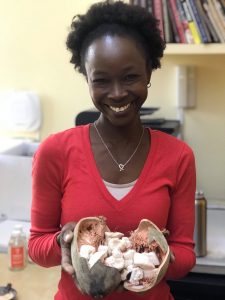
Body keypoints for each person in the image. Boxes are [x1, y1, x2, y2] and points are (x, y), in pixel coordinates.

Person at [28, 1, 196, 299]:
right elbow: (37, 246)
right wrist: (65, 241)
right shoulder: (55, 152)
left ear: (149, 72)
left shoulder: (178, 156)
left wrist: (154, 256)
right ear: (87, 79)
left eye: (130, 77)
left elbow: (185, 255)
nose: (117, 93)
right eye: (101, 80)